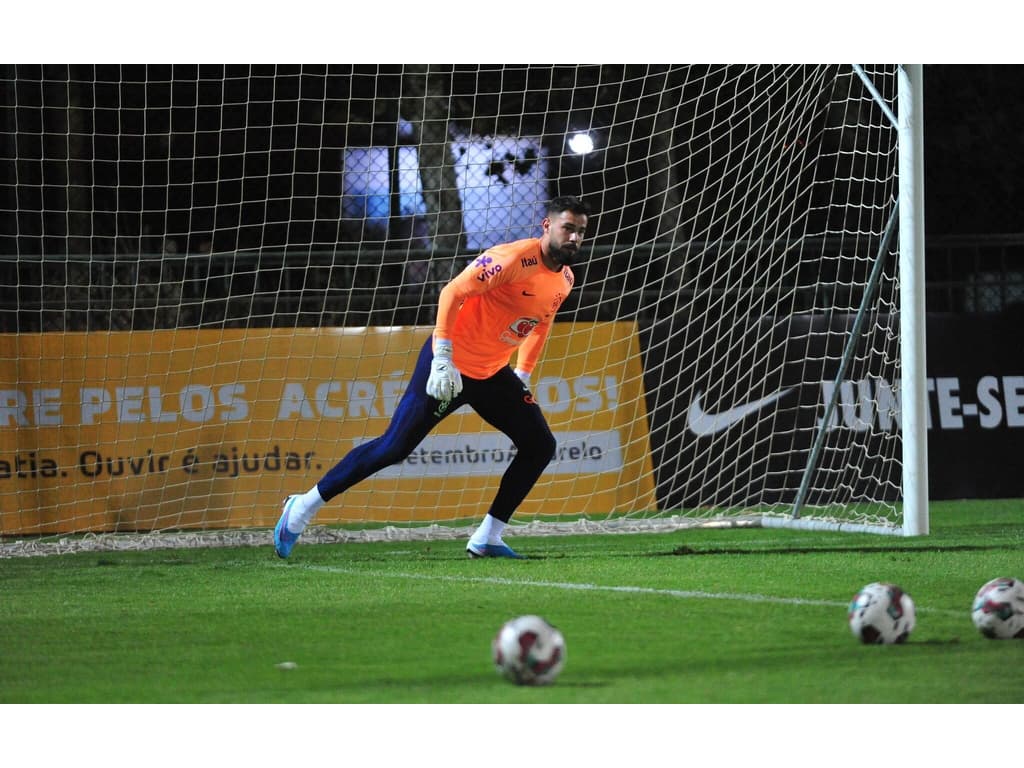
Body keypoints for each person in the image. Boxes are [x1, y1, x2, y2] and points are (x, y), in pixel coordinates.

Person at [274, 195, 591, 559]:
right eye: (568, 228)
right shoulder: (512, 259)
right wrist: (443, 356)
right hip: (450, 365)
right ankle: (301, 507)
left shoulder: (565, 279)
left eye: (581, 232)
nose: (575, 238)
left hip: (492, 374)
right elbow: (452, 291)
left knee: (540, 445)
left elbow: (540, 323)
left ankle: (487, 537)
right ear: (547, 226)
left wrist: (522, 372)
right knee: (394, 447)